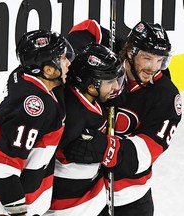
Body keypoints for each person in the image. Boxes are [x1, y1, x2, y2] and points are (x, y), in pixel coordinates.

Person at [64, 21, 182, 216]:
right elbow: (86, 29)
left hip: (130, 198)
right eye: (147, 58)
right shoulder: (111, 54)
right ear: (130, 52)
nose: (153, 67)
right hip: (89, 195)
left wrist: (105, 148)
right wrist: (88, 67)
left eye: (160, 60)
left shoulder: (166, 96)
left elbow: (147, 152)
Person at [0, 30, 75, 216]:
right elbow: (1, 170)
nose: (68, 63)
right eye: (62, 58)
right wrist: (19, 212)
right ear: (48, 70)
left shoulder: (23, 74)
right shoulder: (34, 107)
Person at [44, 43, 124, 216]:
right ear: (91, 86)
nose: (116, 87)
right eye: (110, 82)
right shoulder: (74, 115)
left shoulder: (86, 98)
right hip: (70, 207)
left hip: (91, 196)